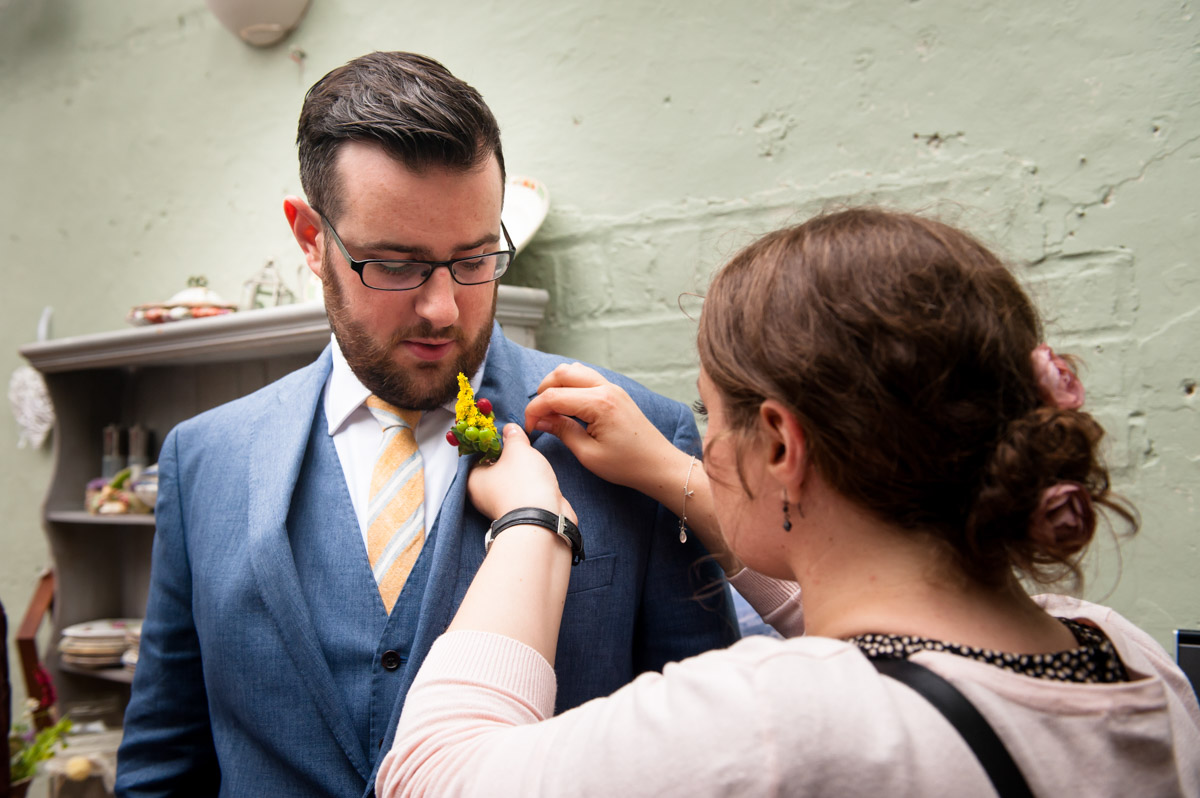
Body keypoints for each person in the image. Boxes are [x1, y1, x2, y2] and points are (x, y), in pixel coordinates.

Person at [377, 208, 1200, 796]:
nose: (700, 440)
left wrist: (534, 523)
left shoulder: (776, 720)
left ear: (779, 443)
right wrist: (670, 471)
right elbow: (895, 627)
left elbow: (431, 775)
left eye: (708, 414)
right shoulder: (1125, 662)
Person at [115, 51, 736, 797]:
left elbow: (703, 756)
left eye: (474, 258)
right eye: (395, 264)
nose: (443, 308)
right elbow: (163, 760)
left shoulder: (645, 436)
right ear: (311, 238)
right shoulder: (204, 458)